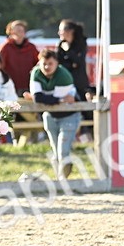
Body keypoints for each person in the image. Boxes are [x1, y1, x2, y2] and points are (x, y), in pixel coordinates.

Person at [25, 50, 79, 179]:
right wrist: (55, 99)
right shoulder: (36, 73)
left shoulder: (64, 75)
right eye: (44, 63)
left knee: (63, 150)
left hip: (68, 115)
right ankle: (59, 179)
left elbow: (51, 100)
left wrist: (49, 98)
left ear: (57, 63)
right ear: (39, 63)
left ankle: (62, 179)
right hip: (50, 115)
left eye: (50, 63)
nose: (47, 67)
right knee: (55, 150)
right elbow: (39, 99)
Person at [0, 20, 40, 97]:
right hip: (10, 87)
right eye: (17, 30)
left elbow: (39, 64)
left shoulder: (31, 47)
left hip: (29, 86)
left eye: (21, 30)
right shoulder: (5, 47)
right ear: (11, 32)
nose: (19, 32)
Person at [56, 19, 92, 100]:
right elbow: (58, 63)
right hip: (65, 82)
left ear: (70, 31)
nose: (59, 33)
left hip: (79, 83)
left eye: (61, 30)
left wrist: (68, 51)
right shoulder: (60, 45)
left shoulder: (81, 44)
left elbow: (79, 62)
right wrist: (72, 64)